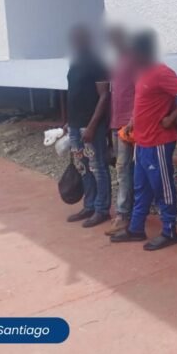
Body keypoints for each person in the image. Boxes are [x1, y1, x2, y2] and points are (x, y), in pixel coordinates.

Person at [110, 31, 177, 251]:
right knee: (141, 187)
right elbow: (143, 102)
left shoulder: (161, 72)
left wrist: (171, 118)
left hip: (158, 142)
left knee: (162, 187)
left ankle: (169, 231)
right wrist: (133, 121)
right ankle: (136, 229)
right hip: (141, 141)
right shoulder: (142, 73)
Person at [64, 24, 112, 229]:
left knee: (97, 167)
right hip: (75, 125)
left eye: (79, 37)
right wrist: (69, 122)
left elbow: (104, 96)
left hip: (91, 126)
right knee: (82, 166)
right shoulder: (75, 62)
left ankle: (102, 209)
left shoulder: (97, 62)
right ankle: (89, 205)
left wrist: (92, 126)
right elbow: (74, 92)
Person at [105, 25, 137, 236]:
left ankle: (123, 214)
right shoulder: (116, 62)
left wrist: (133, 120)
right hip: (116, 123)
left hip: (128, 125)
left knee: (123, 169)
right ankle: (131, 209)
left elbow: (139, 92)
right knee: (123, 168)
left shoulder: (134, 61)